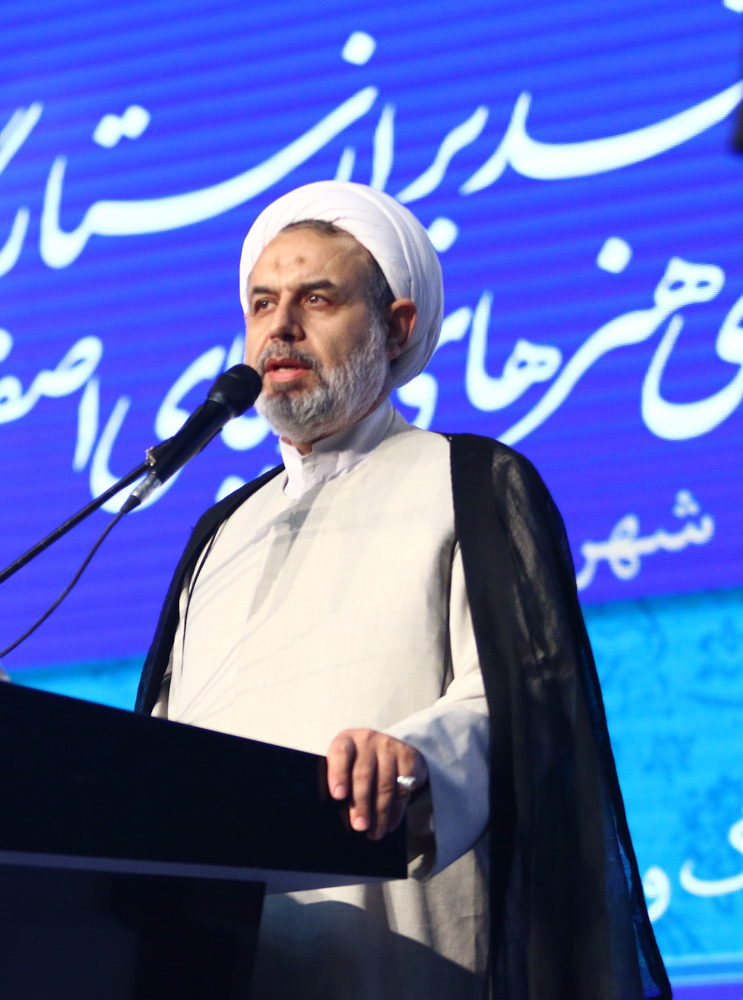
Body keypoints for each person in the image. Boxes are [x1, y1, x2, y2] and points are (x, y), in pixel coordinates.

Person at [134, 180, 668, 1000]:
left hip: (401, 958)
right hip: (221, 960)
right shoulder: (222, 532)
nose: (280, 327)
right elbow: (162, 748)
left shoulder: (469, 481)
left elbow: (523, 706)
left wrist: (417, 758)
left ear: (396, 326)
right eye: (262, 303)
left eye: (317, 298)